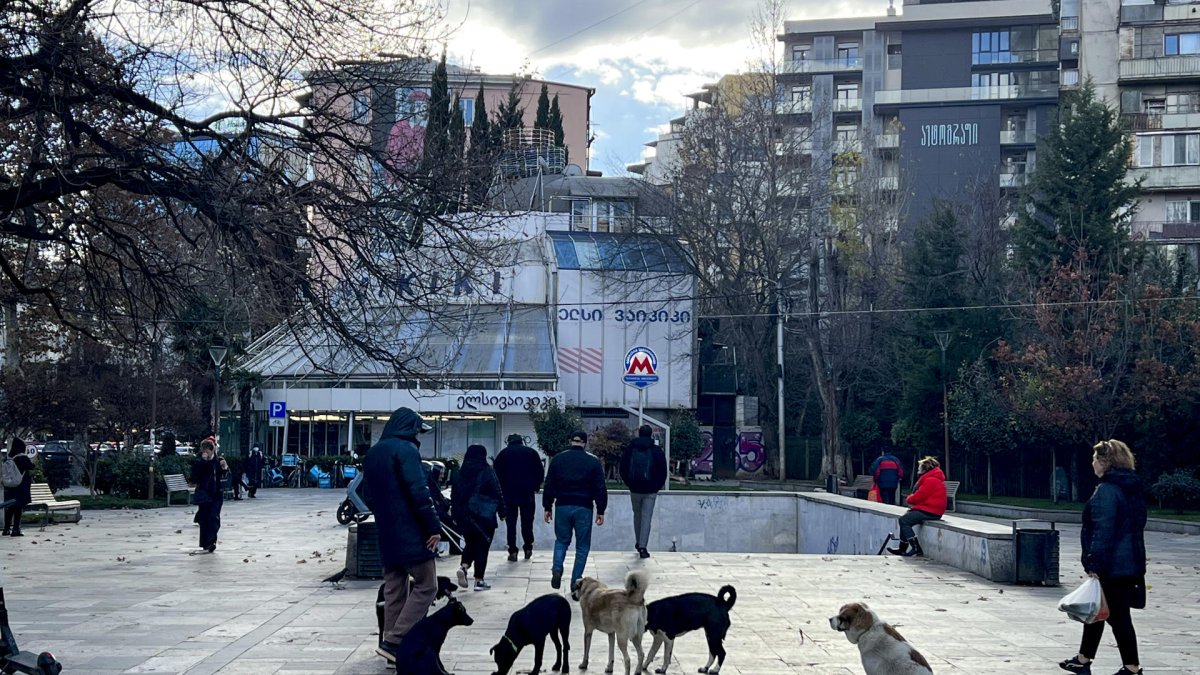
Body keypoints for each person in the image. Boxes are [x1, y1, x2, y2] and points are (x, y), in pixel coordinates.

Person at [1059, 439, 1147, 675]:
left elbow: (1102, 530)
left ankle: (1132, 667)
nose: (1092, 463)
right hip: (1129, 563)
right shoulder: (1132, 489)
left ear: (1104, 462)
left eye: (1095, 459)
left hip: (1112, 566)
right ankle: (1083, 658)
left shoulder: (1107, 490)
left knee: (1117, 617)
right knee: (1097, 611)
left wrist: (1094, 562)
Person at [363, 407, 442, 664]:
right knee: (427, 584)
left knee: (395, 590)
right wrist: (433, 528)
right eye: (418, 429)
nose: (420, 435)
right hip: (412, 532)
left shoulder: (374, 453)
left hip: (386, 532)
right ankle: (396, 642)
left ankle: (390, 648)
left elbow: (367, 496)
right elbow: (419, 493)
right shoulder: (407, 451)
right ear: (410, 428)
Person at [543, 430, 607, 591]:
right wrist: (601, 510)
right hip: (584, 507)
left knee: (561, 541)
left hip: (562, 505)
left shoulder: (558, 459)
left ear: (571, 441)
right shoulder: (593, 462)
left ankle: (557, 568)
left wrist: (547, 506)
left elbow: (549, 484)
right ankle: (575, 582)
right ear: (585, 443)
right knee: (582, 546)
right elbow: (600, 487)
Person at [450, 444, 506, 591]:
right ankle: (479, 580)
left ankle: (464, 567)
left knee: (471, 543)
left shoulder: (459, 473)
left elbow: (454, 495)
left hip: (465, 516)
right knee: (482, 547)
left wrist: (456, 515)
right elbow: (497, 491)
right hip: (484, 515)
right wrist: (502, 511)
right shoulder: (487, 471)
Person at [618, 425, 667, 559]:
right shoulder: (657, 450)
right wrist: (656, 486)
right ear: (651, 434)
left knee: (637, 515)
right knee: (646, 517)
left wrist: (630, 483)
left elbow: (622, 468)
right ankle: (642, 546)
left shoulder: (630, 449)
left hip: (635, 489)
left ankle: (638, 540)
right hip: (650, 490)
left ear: (639, 434)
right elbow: (663, 471)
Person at [493, 433, 544, 562]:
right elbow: (540, 472)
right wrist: (535, 486)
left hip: (508, 495)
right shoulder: (531, 453)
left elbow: (496, 475)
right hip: (527, 494)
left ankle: (513, 550)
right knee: (527, 522)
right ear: (521, 441)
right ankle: (528, 547)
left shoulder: (503, 454)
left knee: (511, 524)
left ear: (509, 442)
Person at [886, 456, 946, 557]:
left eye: (920, 467)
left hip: (931, 511)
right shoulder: (932, 479)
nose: (918, 469)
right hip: (930, 509)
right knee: (905, 518)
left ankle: (916, 548)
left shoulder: (931, 480)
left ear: (925, 468)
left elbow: (918, 496)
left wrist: (909, 498)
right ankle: (902, 548)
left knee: (904, 520)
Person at [191, 438, 227, 553]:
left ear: (212, 450)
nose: (205, 453)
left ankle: (212, 541)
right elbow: (194, 477)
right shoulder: (199, 461)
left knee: (213, 517)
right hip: (204, 494)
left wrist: (225, 468)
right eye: (203, 450)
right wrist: (203, 462)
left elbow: (225, 475)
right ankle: (205, 543)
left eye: (207, 451)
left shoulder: (218, 461)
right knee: (204, 519)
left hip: (216, 494)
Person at [3, 439, 35, 537]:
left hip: (11, 486)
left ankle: (6, 529)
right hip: (21, 486)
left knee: (11, 508)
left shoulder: (10, 458)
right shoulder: (22, 458)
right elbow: (31, 466)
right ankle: (16, 529)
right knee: (18, 508)